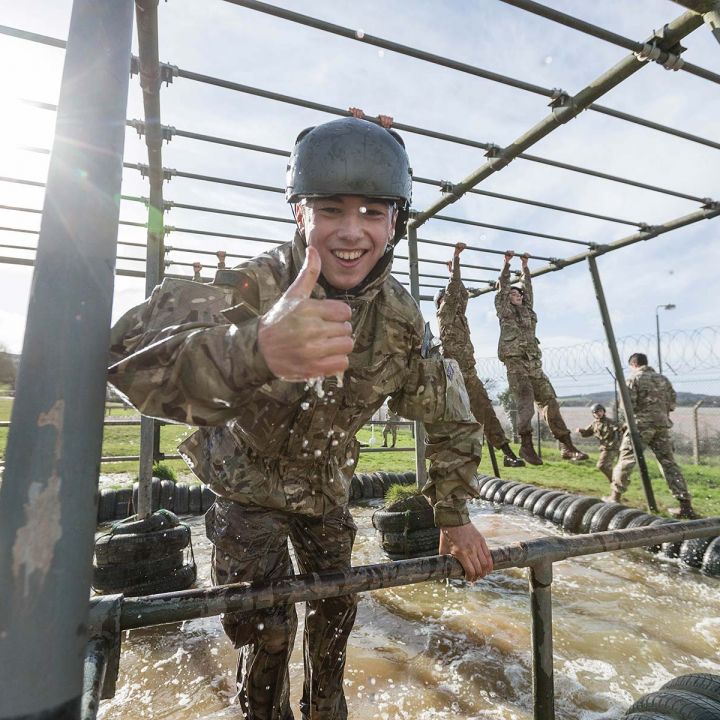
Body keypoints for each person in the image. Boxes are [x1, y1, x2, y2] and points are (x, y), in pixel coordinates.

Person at [107, 116, 493, 720]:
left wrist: (454, 514)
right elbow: (129, 359)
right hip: (245, 489)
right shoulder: (254, 286)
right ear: (298, 214)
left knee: (336, 616)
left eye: (372, 212)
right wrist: (254, 349)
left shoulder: (399, 319)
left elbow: (450, 415)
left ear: (396, 223)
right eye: (331, 209)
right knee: (265, 632)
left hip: (326, 493)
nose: (350, 232)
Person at [495, 250, 588, 465]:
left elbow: (528, 289)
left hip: (534, 363)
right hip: (515, 362)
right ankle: (526, 446)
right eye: (513, 294)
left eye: (519, 295)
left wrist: (525, 267)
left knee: (549, 400)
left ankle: (566, 444)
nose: (517, 296)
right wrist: (507, 264)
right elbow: (502, 286)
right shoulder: (504, 310)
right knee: (525, 402)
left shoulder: (528, 310)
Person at [436, 242, 524, 468]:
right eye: (450, 298)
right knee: (457, 419)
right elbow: (454, 290)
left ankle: (506, 452)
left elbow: (461, 293)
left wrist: (453, 272)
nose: (457, 300)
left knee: (485, 410)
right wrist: (456, 260)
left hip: (469, 374)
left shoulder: (458, 315)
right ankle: (456, 460)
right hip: (453, 376)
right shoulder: (444, 312)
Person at [609, 353, 697, 518]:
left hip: (640, 426)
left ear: (633, 364)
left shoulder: (634, 378)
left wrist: (628, 422)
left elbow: (628, 406)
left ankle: (615, 497)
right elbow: (672, 403)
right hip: (661, 426)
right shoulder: (663, 379)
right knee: (669, 464)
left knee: (626, 459)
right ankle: (685, 505)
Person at [575, 403, 621, 483]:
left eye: (600, 411)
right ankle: (616, 481)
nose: (598, 413)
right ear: (593, 414)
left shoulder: (611, 422)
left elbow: (621, 430)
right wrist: (581, 430)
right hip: (604, 448)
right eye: (595, 412)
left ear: (603, 411)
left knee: (602, 465)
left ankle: (615, 482)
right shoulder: (595, 424)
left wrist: (617, 429)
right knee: (606, 466)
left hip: (612, 447)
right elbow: (587, 433)